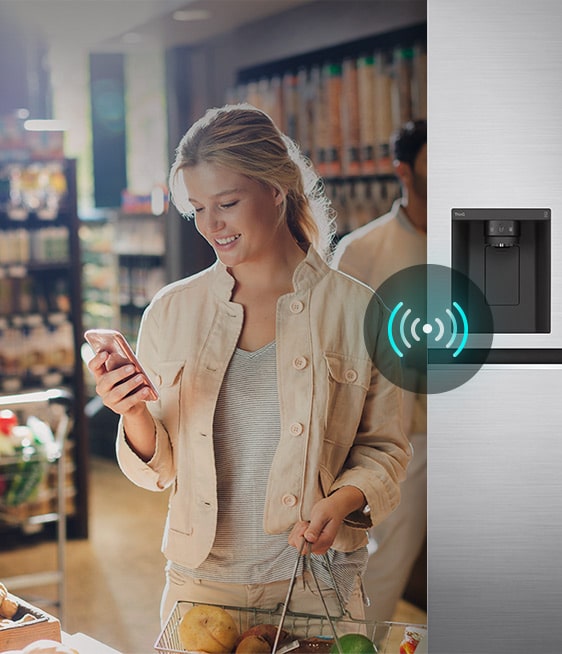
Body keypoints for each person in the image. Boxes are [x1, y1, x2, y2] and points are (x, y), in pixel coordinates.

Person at [87, 103, 411, 625]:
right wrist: (132, 413)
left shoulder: (359, 310)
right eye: (197, 209)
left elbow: (386, 450)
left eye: (228, 203)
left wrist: (342, 501)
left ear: (275, 189)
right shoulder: (171, 311)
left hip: (317, 587)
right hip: (200, 586)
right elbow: (161, 470)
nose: (211, 226)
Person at [331, 119, 427, 623]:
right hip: (403, 440)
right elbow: (337, 348)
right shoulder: (363, 251)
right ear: (404, 172)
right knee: (384, 564)